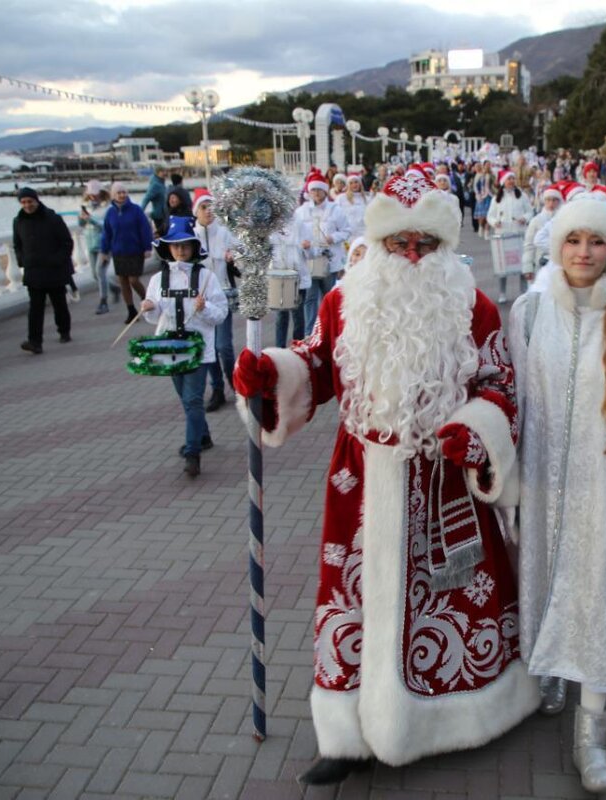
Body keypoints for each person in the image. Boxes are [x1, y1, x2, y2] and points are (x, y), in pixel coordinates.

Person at [231, 168, 537, 785]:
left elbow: (501, 384)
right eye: (401, 243)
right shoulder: (343, 300)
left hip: (443, 478)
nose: (414, 255)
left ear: (446, 245)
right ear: (379, 244)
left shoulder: (473, 306)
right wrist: (271, 373)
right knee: (349, 596)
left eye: (427, 243)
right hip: (362, 478)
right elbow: (314, 363)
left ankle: (457, 716)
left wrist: (476, 427)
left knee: (453, 591)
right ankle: (344, 734)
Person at [508, 198, 606, 794]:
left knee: (598, 600)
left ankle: (591, 731)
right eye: (572, 239)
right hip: (544, 486)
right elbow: (516, 410)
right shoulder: (528, 314)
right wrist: (513, 488)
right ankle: (550, 671)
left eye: (596, 242)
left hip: (605, 493)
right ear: (556, 245)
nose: (583, 252)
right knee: (545, 582)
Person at [139, 216, 229, 477]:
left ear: (193, 247)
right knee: (186, 399)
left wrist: (205, 308)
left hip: (197, 347)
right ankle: (204, 437)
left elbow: (220, 314)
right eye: (175, 245)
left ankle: (192, 453)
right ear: (168, 247)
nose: (180, 250)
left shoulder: (207, 277)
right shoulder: (158, 279)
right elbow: (156, 316)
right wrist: (149, 307)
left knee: (192, 399)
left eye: (185, 245)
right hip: (169, 346)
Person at [194, 190, 240, 413]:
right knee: (209, 346)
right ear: (196, 211)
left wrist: (235, 257)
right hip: (201, 301)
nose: (208, 211)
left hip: (223, 294)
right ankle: (218, 389)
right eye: (203, 207)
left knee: (223, 345)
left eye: (211, 206)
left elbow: (243, 255)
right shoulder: (191, 237)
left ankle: (236, 384)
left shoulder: (224, 232)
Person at [13, 187, 73, 355]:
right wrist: (22, 260)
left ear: (36, 200)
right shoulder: (18, 221)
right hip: (33, 272)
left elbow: (67, 243)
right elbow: (17, 244)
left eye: (30, 201)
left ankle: (64, 331)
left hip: (54, 270)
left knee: (59, 304)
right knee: (35, 309)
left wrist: (57, 260)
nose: (27, 205)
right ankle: (35, 341)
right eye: (23, 202)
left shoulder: (53, 219)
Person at [293, 172, 350, 335]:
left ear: (325, 191)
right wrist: (302, 244)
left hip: (329, 260)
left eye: (319, 190)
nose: (316, 193)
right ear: (309, 192)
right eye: (313, 190)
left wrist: (334, 237)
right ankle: (309, 333)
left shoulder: (335, 210)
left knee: (328, 297)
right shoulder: (302, 211)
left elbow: (346, 230)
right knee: (310, 299)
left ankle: (330, 330)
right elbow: (295, 233)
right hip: (309, 260)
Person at [102, 181, 155, 323]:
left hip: (135, 251)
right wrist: (104, 250)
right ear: (113, 195)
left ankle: (147, 299)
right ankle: (131, 310)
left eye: (124, 192)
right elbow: (106, 233)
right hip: (118, 252)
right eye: (119, 193)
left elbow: (145, 229)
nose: (122, 195)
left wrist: (147, 247)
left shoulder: (136, 210)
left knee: (134, 280)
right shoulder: (110, 212)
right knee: (123, 281)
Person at [487, 169, 534, 303]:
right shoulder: (497, 198)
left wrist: (524, 218)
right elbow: (490, 216)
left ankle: (523, 291)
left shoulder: (522, 196)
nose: (511, 181)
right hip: (503, 236)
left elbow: (530, 211)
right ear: (503, 182)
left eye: (513, 179)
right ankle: (502, 292)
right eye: (509, 179)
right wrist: (495, 222)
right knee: (503, 266)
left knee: (521, 264)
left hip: (519, 234)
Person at [78, 180, 113, 314]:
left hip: (104, 245)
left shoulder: (107, 208)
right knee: (95, 274)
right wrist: (82, 218)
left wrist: (91, 219)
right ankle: (114, 287)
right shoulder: (85, 206)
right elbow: (81, 224)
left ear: (101, 193)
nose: (93, 196)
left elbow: (106, 226)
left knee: (100, 271)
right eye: (90, 194)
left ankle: (103, 301)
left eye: (95, 194)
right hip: (90, 243)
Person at [522, 183, 562, 282]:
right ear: (544, 201)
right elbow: (529, 245)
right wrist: (528, 266)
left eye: (554, 200)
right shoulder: (536, 220)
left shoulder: (563, 219)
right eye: (548, 200)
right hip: (540, 264)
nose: (551, 203)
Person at [335, 174, 368, 240]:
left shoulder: (367, 198)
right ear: (348, 185)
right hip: (348, 234)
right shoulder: (341, 198)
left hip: (363, 233)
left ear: (360, 184)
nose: (354, 185)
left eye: (356, 182)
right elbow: (336, 215)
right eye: (351, 183)